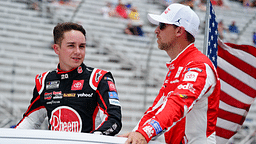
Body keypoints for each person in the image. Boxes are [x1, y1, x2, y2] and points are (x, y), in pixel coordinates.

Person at [119, 3, 220, 144]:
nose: (156, 30)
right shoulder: (178, 66)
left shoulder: (199, 66)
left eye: (162, 25)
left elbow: (178, 103)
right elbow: (157, 108)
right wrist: (137, 132)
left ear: (179, 31)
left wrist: (144, 133)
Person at [15, 22, 122, 136]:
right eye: (71, 45)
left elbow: (113, 120)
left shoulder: (99, 78)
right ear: (57, 49)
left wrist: (93, 139)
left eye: (82, 46)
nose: (78, 52)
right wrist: (11, 137)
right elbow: (31, 120)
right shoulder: (44, 81)